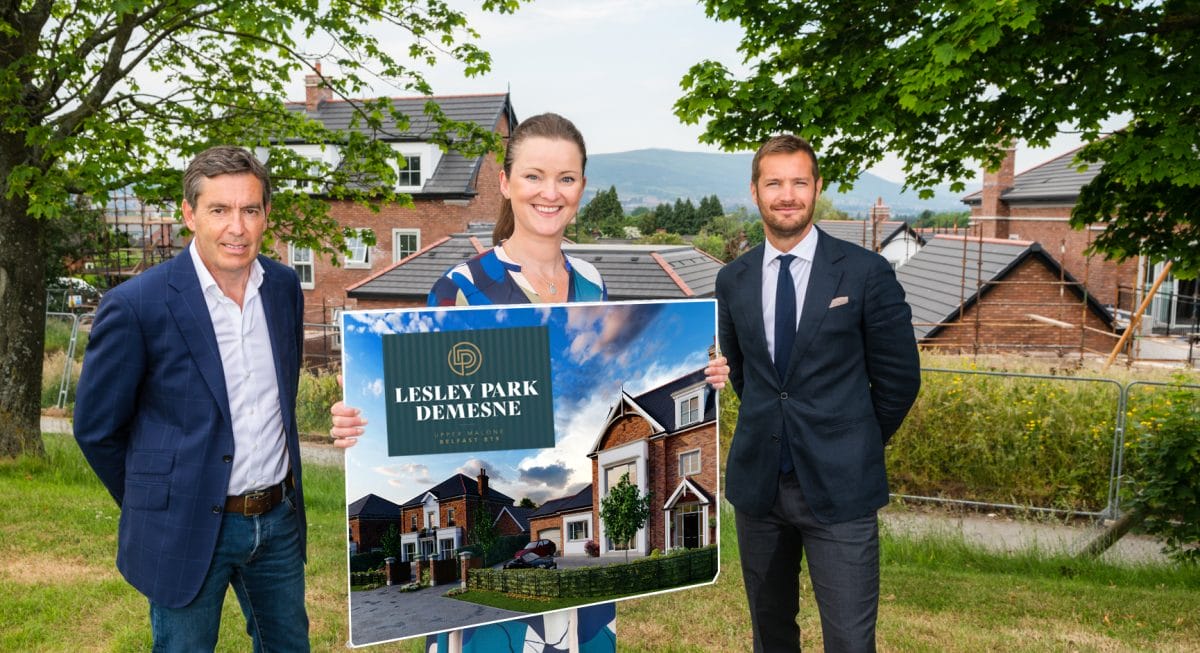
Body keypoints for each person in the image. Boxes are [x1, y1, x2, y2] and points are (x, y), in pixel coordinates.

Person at [331, 112, 729, 652]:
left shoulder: (592, 282)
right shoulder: (460, 289)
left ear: (582, 187)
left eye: (566, 178)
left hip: (577, 611)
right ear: (505, 182)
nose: (550, 192)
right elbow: (422, 402)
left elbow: (610, 373)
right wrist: (358, 417)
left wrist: (710, 376)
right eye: (533, 176)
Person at [74, 146, 309, 652]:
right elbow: (96, 429)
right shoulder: (137, 305)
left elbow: (282, 400)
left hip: (277, 521)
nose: (236, 228)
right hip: (185, 527)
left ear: (267, 215)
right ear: (189, 214)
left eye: (250, 210)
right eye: (219, 210)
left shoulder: (284, 288)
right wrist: (157, 502)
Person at [718, 135, 921, 653]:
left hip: (842, 488)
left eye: (799, 182)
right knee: (771, 636)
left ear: (817, 187)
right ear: (755, 191)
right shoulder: (733, 280)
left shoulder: (866, 272)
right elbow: (746, 377)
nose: (787, 195)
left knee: (850, 641)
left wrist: (853, 442)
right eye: (774, 183)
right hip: (759, 490)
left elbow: (899, 380)